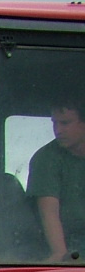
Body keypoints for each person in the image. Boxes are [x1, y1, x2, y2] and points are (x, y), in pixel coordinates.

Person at [28, 95, 85, 262]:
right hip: (71, 247)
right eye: (54, 123)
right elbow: (49, 211)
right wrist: (60, 253)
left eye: (65, 123)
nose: (58, 130)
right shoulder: (46, 159)